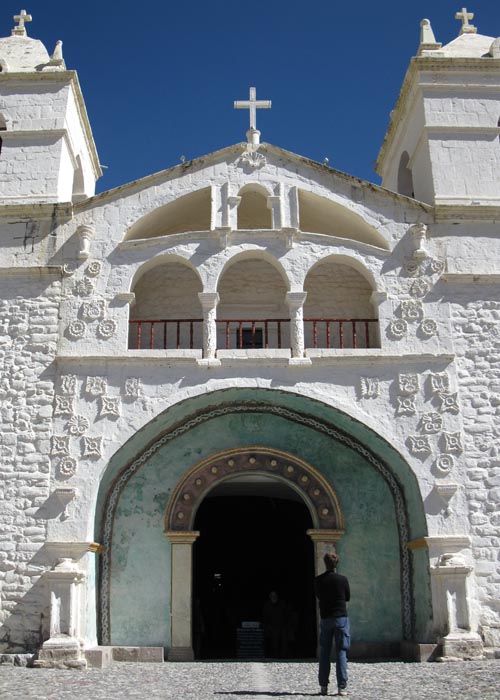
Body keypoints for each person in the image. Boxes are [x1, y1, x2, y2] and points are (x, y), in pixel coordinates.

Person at [314, 552, 351, 697]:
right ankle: (342, 687)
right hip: (341, 618)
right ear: (337, 564)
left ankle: (323, 686)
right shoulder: (342, 579)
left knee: (324, 652)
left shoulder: (319, 580)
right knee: (341, 651)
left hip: (326, 618)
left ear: (325, 563)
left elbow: (318, 595)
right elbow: (347, 597)